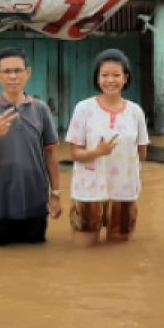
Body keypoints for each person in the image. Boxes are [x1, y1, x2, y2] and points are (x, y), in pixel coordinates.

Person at [0, 48, 64, 248]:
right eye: (7, 72)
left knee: (35, 259)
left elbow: (50, 154)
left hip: (35, 202)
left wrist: (55, 195)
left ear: (27, 73)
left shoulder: (40, 108)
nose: (13, 76)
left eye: (18, 70)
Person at [66, 50, 151, 248]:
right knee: (84, 250)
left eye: (116, 75)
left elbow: (142, 153)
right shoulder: (84, 109)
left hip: (124, 190)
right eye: (104, 75)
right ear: (97, 78)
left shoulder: (135, 111)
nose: (110, 80)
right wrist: (97, 153)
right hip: (89, 190)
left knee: (119, 252)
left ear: (125, 78)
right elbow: (75, 153)